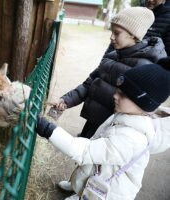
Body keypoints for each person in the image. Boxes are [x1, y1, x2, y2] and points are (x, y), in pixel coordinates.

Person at [36, 63, 170, 200]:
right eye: (118, 90)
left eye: (124, 95)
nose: (115, 96)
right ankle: (79, 186)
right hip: (102, 175)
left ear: (143, 103)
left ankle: (82, 191)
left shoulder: (131, 139)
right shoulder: (129, 113)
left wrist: (46, 128)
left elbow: (84, 152)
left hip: (108, 193)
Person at [53, 7, 167, 139]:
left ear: (133, 34)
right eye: (111, 32)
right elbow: (89, 84)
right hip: (92, 123)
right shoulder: (111, 56)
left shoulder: (143, 68)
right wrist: (66, 100)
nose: (111, 37)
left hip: (112, 132)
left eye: (117, 33)